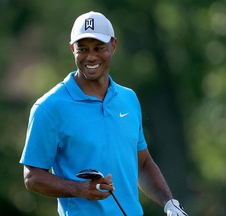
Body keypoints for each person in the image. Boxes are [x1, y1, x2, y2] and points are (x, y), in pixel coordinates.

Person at [19, 11, 188, 216]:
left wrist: (169, 202)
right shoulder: (48, 108)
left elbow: (142, 163)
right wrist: (79, 189)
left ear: (113, 46)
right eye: (82, 49)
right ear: (72, 48)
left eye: (99, 48)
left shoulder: (128, 99)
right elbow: (32, 176)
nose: (90, 57)